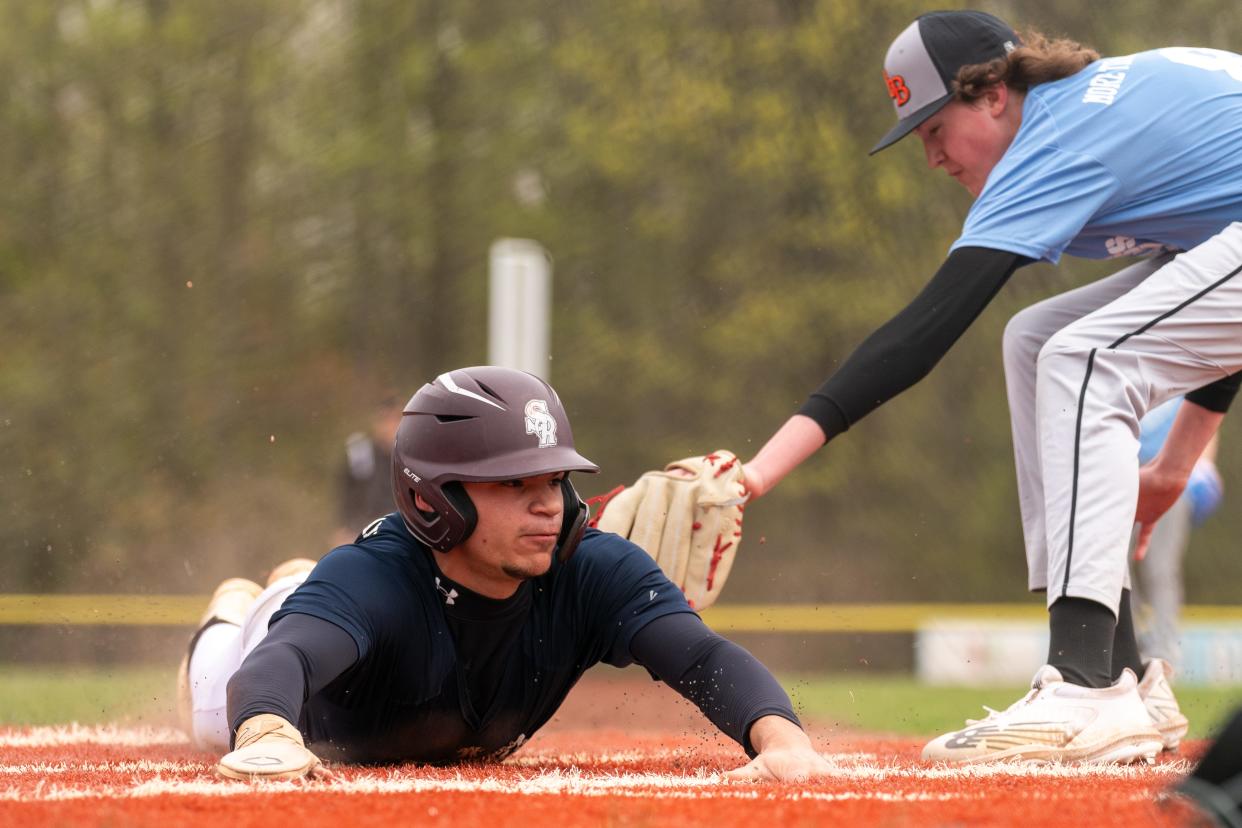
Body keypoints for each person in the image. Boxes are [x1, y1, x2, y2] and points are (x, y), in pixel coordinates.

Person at [737, 10, 1242, 764]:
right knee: (1036, 343)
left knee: (1084, 359)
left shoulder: (1057, 139)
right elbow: (1212, 306)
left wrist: (751, 477)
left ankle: (1079, 684)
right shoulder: (1092, 110)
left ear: (995, 93)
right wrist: (1171, 467)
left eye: (935, 128)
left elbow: (920, 335)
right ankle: (1121, 673)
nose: (931, 157)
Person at [177, 366, 830, 781]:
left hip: (339, 624)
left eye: (554, 479)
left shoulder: (591, 569)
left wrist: (782, 739)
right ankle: (239, 605)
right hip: (281, 634)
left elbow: (702, 657)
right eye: (513, 482)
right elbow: (275, 666)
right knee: (213, 697)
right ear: (433, 499)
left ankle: (287, 580)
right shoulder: (371, 578)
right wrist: (265, 730)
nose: (547, 503)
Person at [1130, 397, 1223, 671]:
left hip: (1173, 476)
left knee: (1161, 566)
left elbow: (1208, 416)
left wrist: (1203, 467)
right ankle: (1128, 641)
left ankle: (1163, 651)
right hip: (1127, 472)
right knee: (1115, 567)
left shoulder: (1183, 377)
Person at [332, 396, 405, 547]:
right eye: (385, 420)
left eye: (394, 420)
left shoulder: (409, 455)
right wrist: (344, 528)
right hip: (362, 528)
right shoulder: (360, 454)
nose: (389, 426)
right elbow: (346, 492)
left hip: (400, 528)